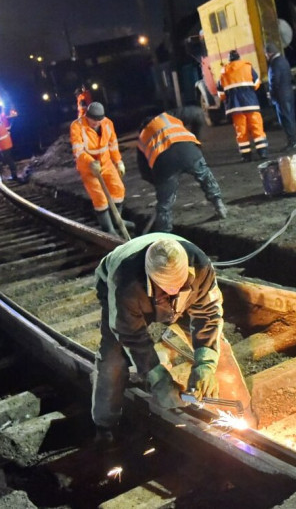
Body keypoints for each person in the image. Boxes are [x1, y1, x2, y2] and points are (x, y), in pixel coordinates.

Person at [91, 234, 233, 445]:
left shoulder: (201, 266)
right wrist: (158, 378)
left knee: (218, 349)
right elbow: (131, 335)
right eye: (168, 289)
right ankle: (105, 425)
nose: (174, 291)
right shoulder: (126, 282)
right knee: (113, 361)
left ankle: (236, 411)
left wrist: (205, 364)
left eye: (179, 285)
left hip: (182, 300)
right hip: (124, 290)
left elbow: (209, 315)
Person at [136, 107, 227, 232]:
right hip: (189, 152)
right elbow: (198, 113)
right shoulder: (167, 116)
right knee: (206, 177)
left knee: (164, 205)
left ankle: (164, 233)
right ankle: (219, 206)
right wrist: (197, 138)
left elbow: (145, 172)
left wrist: (161, 185)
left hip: (165, 164)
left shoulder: (141, 138)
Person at [69, 101, 128, 235]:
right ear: (87, 116)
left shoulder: (107, 123)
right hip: (88, 167)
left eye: (99, 120)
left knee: (118, 189)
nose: (96, 122)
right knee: (99, 197)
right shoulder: (77, 126)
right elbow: (78, 150)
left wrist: (118, 162)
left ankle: (118, 221)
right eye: (93, 119)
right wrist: (90, 162)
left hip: (106, 163)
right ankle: (108, 228)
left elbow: (113, 144)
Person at [217, 49, 269, 162]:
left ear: (229, 60)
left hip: (235, 107)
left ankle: (246, 155)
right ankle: (263, 152)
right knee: (257, 128)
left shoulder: (224, 71)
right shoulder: (247, 67)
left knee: (241, 131)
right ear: (239, 57)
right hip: (251, 104)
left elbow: (221, 94)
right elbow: (256, 84)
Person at [264, 42, 296, 153]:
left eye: (266, 54)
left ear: (269, 53)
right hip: (288, 93)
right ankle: (293, 140)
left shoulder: (275, 63)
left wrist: (271, 94)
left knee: (285, 118)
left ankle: (292, 142)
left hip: (281, 96)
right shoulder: (283, 60)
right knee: (290, 117)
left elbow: (274, 81)